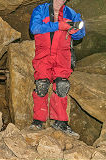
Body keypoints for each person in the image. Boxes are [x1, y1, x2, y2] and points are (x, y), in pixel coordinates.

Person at [29, 0, 85, 136]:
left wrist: (75, 30)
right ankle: (38, 121)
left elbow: (80, 33)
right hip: (44, 55)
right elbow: (34, 28)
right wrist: (59, 25)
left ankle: (60, 122)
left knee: (62, 85)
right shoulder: (40, 10)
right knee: (41, 85)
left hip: (62, 55)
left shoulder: (72, 13)